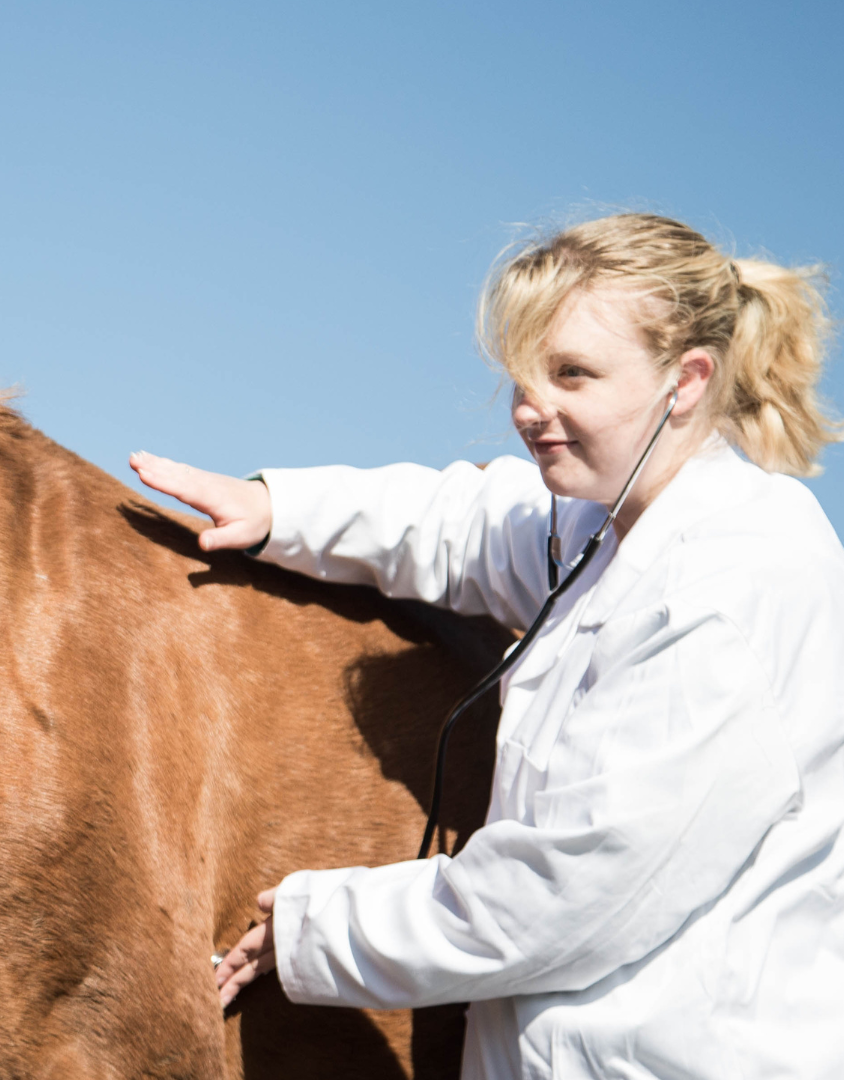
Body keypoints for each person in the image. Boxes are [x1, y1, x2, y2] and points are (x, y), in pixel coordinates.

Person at [133, 213, 844, 1079]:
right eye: (522, 378)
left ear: (686, 382)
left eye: (571, 374)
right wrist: (278, 508)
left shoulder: (736, 581)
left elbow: (565, 894)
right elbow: (462, 523)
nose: (527, 411)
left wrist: (321, 923)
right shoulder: (607, 525)